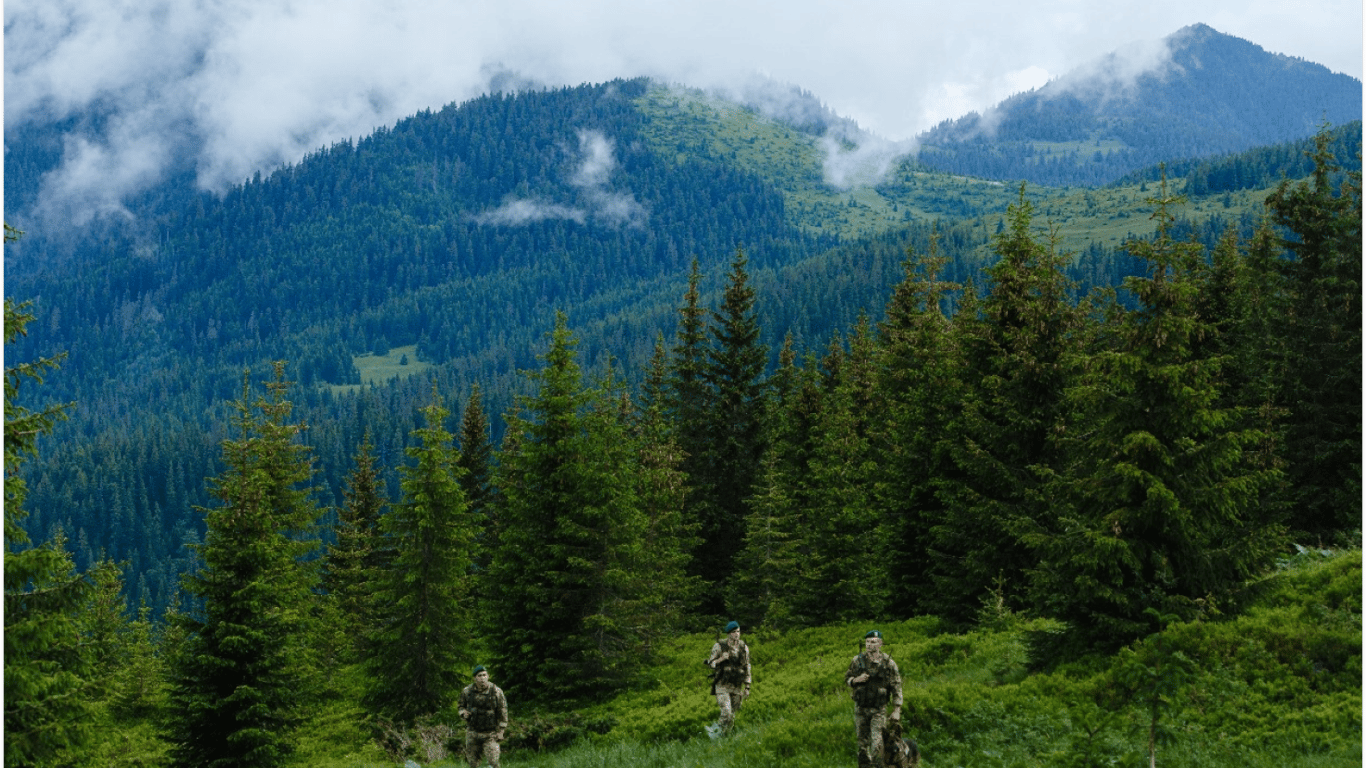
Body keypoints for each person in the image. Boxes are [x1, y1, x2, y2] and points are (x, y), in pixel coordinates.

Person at [845, 630, 903, 768]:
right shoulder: (857, 661)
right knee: (862, 745)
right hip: (861, 708)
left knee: (877, 744)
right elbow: (847, 678)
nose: (870, 645)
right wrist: (855, 680)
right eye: (868, 642)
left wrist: (897, 709)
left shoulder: (889, 663)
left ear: (880, 643)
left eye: (874, 642)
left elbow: (896, 686)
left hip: (879, 709)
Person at [705, 620, 751, 733]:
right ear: (729, 633)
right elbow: (711, 664)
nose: (737, 634)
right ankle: (714, 731)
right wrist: (721, 659)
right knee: (726, 712)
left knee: (732, 716)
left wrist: (747, 686)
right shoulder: (719, 646)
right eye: (734, 632)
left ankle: (725, 736)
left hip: (736, 685)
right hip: (722, 684)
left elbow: (747, 666)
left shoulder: (743, 647)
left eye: (738, 631)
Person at [457, 665, 507, 768]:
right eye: (479, 676)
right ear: (475, 678)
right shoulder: (467, 691)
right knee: (473, 764)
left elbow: (503, 711)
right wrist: (463, 713)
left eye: (484, 675)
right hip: (473, 733)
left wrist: (501, 731)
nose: (482, 678)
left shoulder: (496, 691)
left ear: (488, 676)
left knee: (493, 762)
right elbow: (460, 706)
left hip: (490, 734)